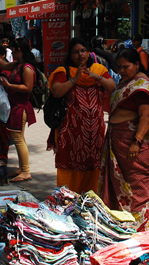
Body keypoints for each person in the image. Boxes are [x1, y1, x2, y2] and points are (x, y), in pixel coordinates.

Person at [99, 48, 149, 231]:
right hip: (118, 144)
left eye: (126, 66)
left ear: (137, 64)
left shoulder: (142, 87)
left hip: (134, 147)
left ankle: (140, 232)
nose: (121, 70)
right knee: (121, 189)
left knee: (138, 191)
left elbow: (146, 115)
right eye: (119, 67)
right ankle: (123, 230)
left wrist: (136, 142)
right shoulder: (127, 82)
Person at [48, 37, 116, 194]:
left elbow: (112, 87)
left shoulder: (99, 70)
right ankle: (67, 203)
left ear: (88, 52)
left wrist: (95, 76)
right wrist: (75, 79)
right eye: (76, 52)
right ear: (70, 55)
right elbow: (57, 91)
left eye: (83, 51)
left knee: (94, 169)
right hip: (70, 135)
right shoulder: (63, 71)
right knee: (69, 171)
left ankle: (91, 205)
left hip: (95, 134)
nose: (80, 55)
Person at [0, 38, 36, 182]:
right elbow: (3, 64)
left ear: (19, 50)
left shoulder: (27, 68)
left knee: (18, 139)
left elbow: (28, 88)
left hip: (21, 107)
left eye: (13, 50)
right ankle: (22, 167)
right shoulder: (18, 65)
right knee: (20, 138)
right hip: (16, 106)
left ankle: (25, 171)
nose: (11, 53)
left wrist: (9, 85)